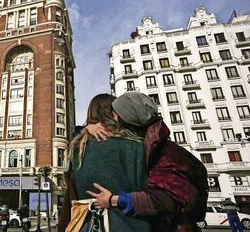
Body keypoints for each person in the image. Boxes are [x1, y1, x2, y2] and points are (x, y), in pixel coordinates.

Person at [80, 92, 208, 232]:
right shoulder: (151, 144)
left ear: (127, 119)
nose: (112, 120)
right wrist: (85, 129)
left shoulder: (165, 153)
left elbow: (165, 200)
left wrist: (113, 200)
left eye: (115, 115)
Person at [60, 93, 152, 232]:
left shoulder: (77, 150)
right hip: (129, 225)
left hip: (87, 225)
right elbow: (149, 194)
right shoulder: (134, 146)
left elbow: (69, 186)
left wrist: (85, 130)